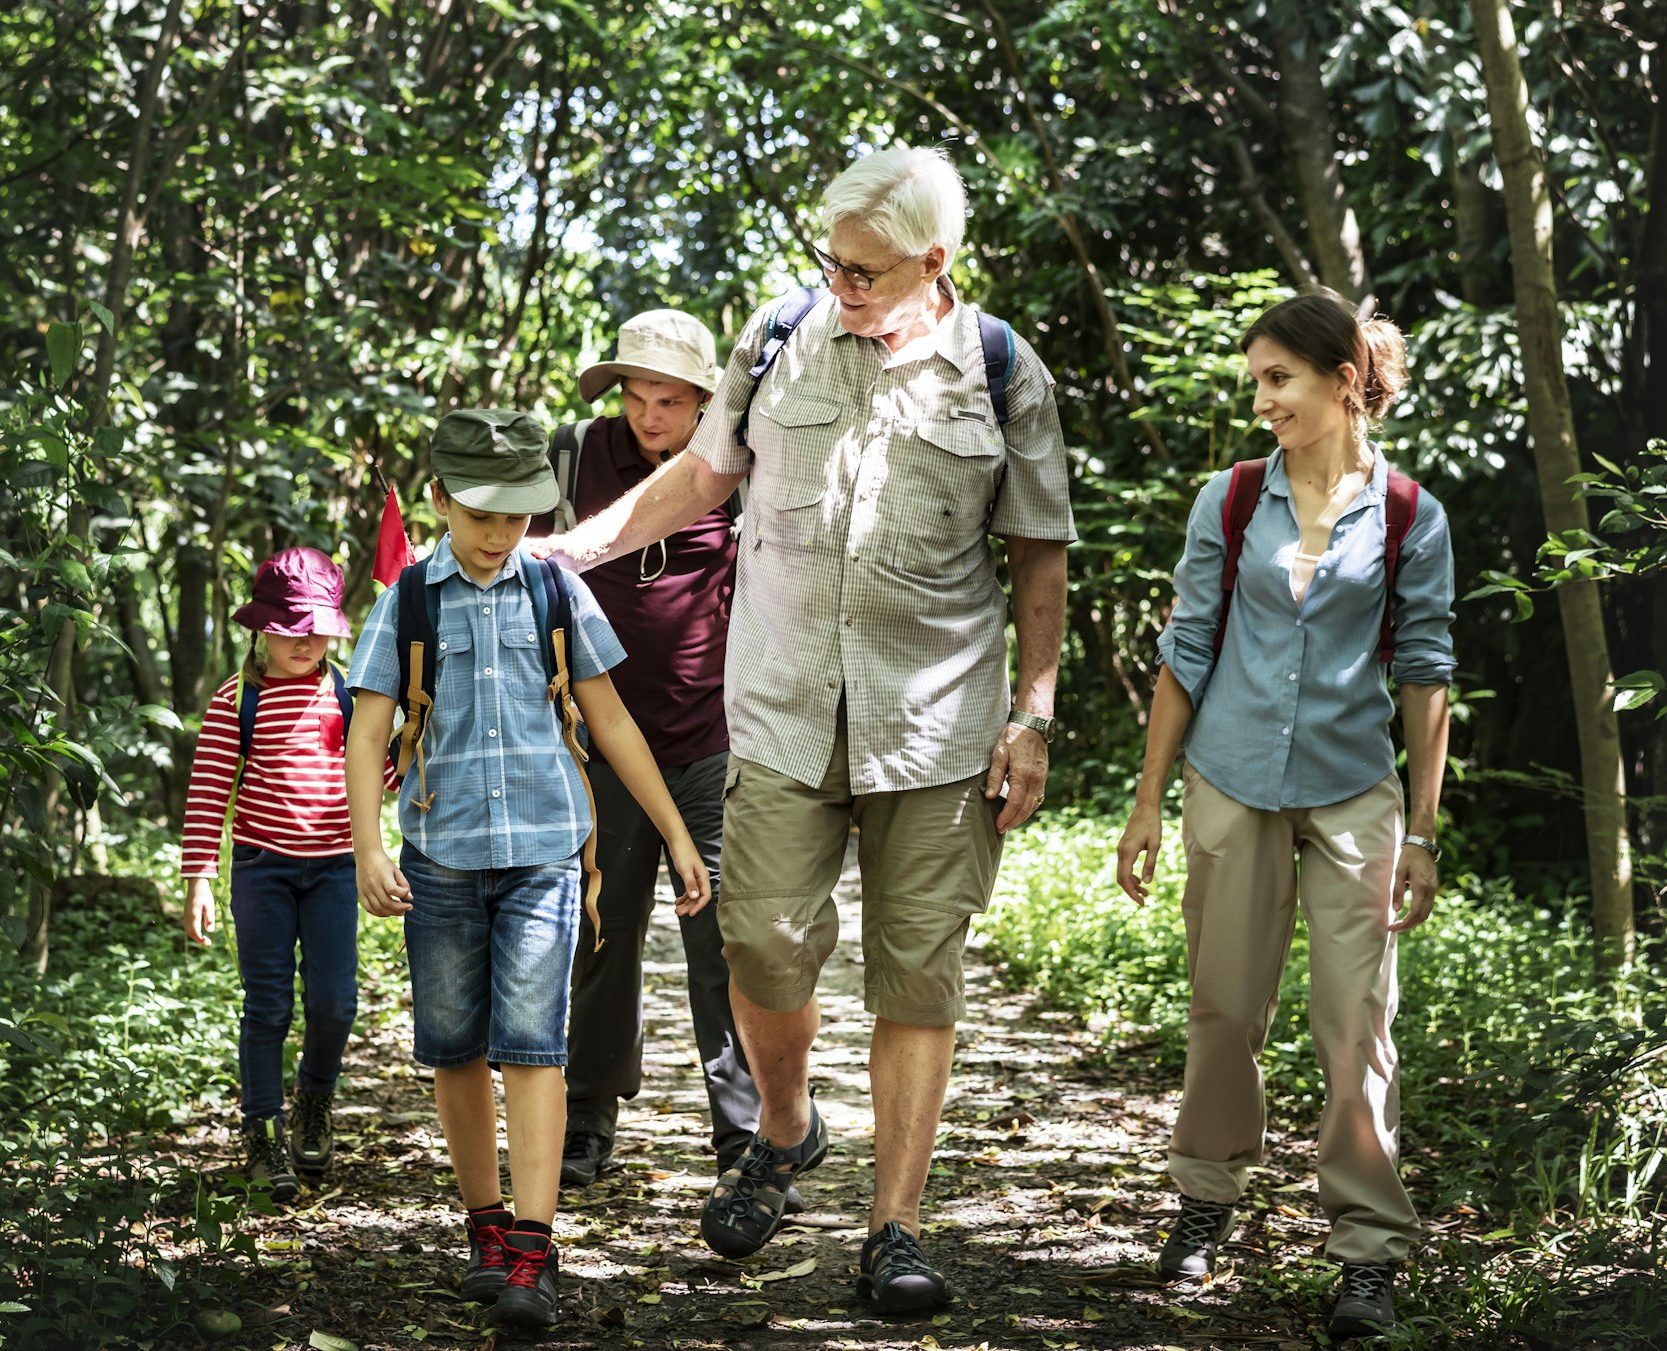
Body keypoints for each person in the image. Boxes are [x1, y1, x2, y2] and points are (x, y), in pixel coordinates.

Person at [536, 146, 1074, 1315]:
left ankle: (894, 1226)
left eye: (866, 270)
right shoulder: (780, 334)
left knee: (915, 973)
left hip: (936, 724)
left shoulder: (999, 369)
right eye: (829, 261)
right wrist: (561, 551)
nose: (841, 282)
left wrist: (1032, 714)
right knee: (764, 943)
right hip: (778, 707)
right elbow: (700, 478)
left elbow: (1038, 549)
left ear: (934, 263)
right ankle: (785, 1125)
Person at [1114, 290, 1455, 1337]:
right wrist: (1145, 802)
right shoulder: (1227, 500)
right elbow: (1184, 654)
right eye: (1254, 380)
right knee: (1223, 1005)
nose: (1260, 400)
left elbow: (1424, 671)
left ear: (1342, 382)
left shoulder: (1409, 514)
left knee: (1355, 1022)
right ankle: (1201, 1204)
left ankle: (1364, 1254)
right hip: (1228, 778)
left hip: (1355, 790)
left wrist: (1423, 834)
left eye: (1278, 379)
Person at [343, 409, 712, 1332]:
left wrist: (672, 830)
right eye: (482, 514)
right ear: (440, 500)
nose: (500, 533)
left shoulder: (555, 592)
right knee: (456, 1047)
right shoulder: (409, 600)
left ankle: (534, 1250)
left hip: (547, 854)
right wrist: (367, 847)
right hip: (442, 858)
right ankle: (485, 1226)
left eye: (517, 515)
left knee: (534, 1044)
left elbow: (613, 719)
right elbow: (368, 733)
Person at [528, 311, 772, 1193]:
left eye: (669, 399)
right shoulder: (574, 458)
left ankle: (743, 1133)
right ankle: (589, 1118)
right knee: (604, 931)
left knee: (723, 937)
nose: (649, 415)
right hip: (600, 743)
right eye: (635, 396)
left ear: (707, 400)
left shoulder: (737, 467)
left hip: (715, 736)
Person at [179, 546, 368, 1203]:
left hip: (334, 872)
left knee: (334, 1001)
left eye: (319, 628)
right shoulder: (239, 697)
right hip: (261, 870)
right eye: (293, 628)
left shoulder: (344, 692)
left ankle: (314, 1098)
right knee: (268, 1005)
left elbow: (378, 775)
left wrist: (410, 745)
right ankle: (261, 1128)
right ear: (262, 626)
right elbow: (208, 790)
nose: (307, 641)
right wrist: (199, 877)